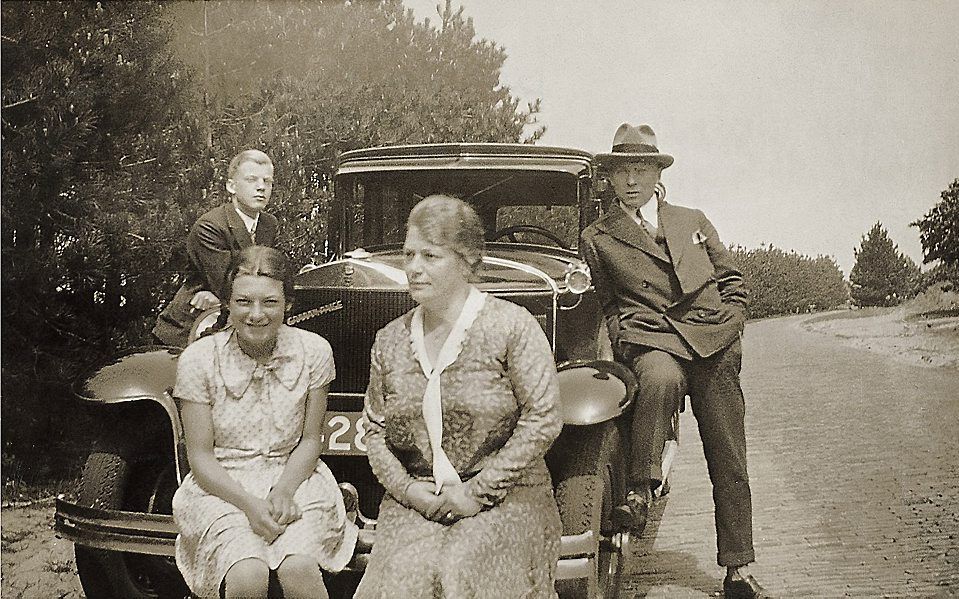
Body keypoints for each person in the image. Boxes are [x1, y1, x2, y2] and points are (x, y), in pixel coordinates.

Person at [581, 123, 768, 599]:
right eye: (622, 169)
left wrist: (733, 325)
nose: (631, 180)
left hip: (712, 340)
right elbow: (606, 304)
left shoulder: (692, 220)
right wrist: (625, 340)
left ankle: (738, 569)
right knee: (658, 377)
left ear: (656, 173)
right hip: (653, 338)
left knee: (729, 455)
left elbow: (732, 279)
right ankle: (639, 491)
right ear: (610, 177)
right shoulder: (598, 237)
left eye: (641, 168)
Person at [354, 195, 563, 598]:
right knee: (403, 578)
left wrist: (476, 492)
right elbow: (375, 432)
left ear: (466, 261)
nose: (413, 268)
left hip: (509, 496)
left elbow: (543, 418)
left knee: (466, 566)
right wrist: (409, 491)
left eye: (430, 256)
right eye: (408, 254)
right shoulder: (390, 340)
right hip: (417, 500)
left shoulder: (510, 326)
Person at [171, 246, 357, 598]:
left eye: (270, 302)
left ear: (288, 303)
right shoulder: (199, 360)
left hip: (294, 478)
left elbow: (309, 441)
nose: (256, 314)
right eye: (244, 301)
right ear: (227, 303)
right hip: (222, 486)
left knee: (299, 567)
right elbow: (200, 457)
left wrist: (284, 492)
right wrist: (249, 506)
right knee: (248, 574)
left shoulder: (314, 352)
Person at [153, 149, 279, 347]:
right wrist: (221, 298)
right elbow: (229, 286)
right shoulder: (210, 226)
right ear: (231, 186)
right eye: (251, 179)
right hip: (191, 329)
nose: (261, 187)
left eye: (267, 181)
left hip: (235, 320)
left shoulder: (268, 224)